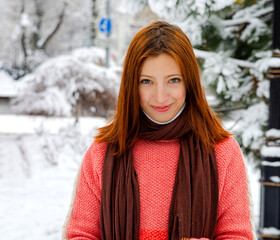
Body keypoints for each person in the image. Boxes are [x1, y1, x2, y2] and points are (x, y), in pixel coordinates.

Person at [62, 20, 256, 240]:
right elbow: (80, 234)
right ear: (131, 85)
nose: (161, 97)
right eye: (146, 81)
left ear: (189, 83)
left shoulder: (222, 152)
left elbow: (237, 235)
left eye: (173, 80)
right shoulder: (102, 153)